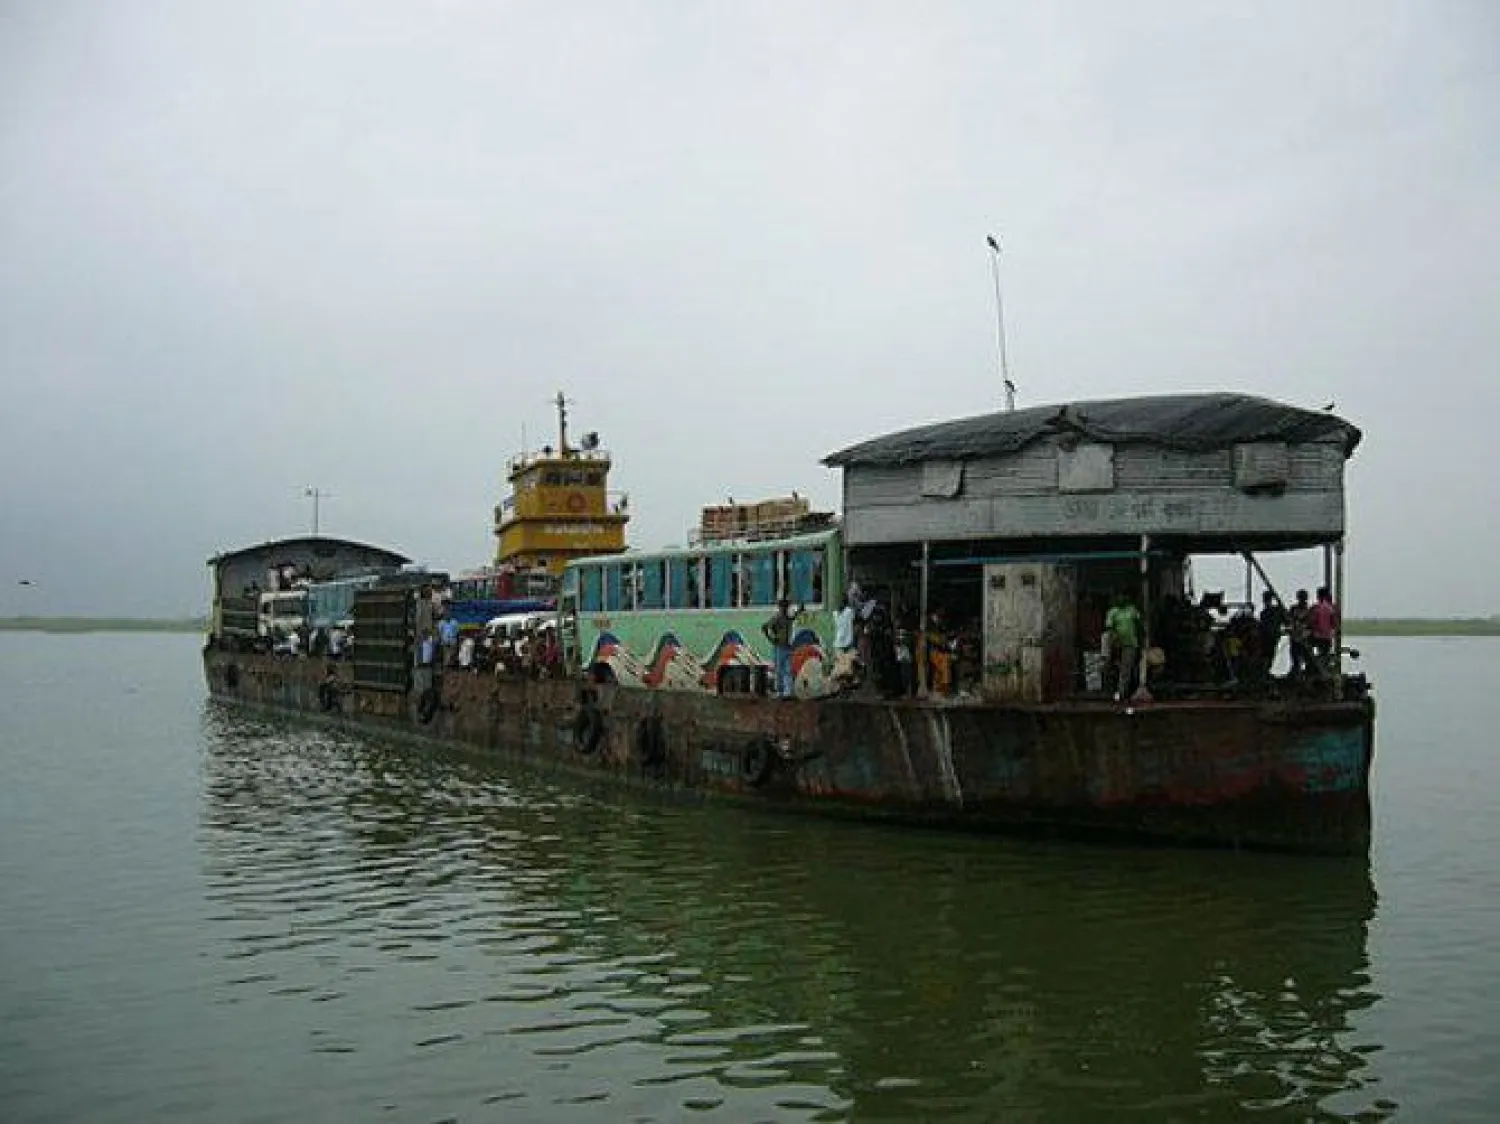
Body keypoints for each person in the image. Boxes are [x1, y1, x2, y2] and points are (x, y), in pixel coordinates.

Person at [1104, 592, 1143, 702]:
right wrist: (1114, 641)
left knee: (1126, 669)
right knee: (1112, 668)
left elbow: (1139, 625)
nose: (1121, 598)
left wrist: (1141, 641)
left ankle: (1122, 693)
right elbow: (1109, 629)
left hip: (1130, 644)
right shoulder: (1113, 612)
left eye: (1123, 595)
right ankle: (1110, 691)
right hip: (1116, 645)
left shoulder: (1132, 610)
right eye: (1119, 596)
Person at [762, 598, 796, 698]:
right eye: (784, 607)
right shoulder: (777, 618)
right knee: (779, 669)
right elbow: (764, 627)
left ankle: (787, 692)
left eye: (787, 607)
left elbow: (793, 617)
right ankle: (780, 691)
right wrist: (771, 639)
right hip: (779, 646)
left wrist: (799, 611)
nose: (785, 609)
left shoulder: (787, 618)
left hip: (787, 646)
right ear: (780, 608)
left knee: (787, 669)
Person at [1256, 591, 1286, 679]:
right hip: (1268, 636)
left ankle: (1265, 671)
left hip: (1270, 636)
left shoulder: (1272, 611)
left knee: (1268, 654)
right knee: (1267, 655)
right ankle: (1265, 672)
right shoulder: (1267, 612)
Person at [1309, 586, 1339, 670]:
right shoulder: (1331, 608)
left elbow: (1311, 621)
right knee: (1325, 655)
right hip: (1327, 637)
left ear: (1318, 596)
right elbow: (1335, 624)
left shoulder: (1315, 608)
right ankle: (1324, 669)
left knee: (1309, 651)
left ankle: (1314, 667)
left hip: (1316, 637)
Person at [1287, 589, 1312, 677]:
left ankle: (1301, 672)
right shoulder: (1294, 609)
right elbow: (1289, 621)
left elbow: (1309, 623)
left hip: (1304, 637)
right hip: (1296, 636)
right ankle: (1297, 672)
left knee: (1304, 656)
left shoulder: (1308, 610)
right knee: (1295, 657)